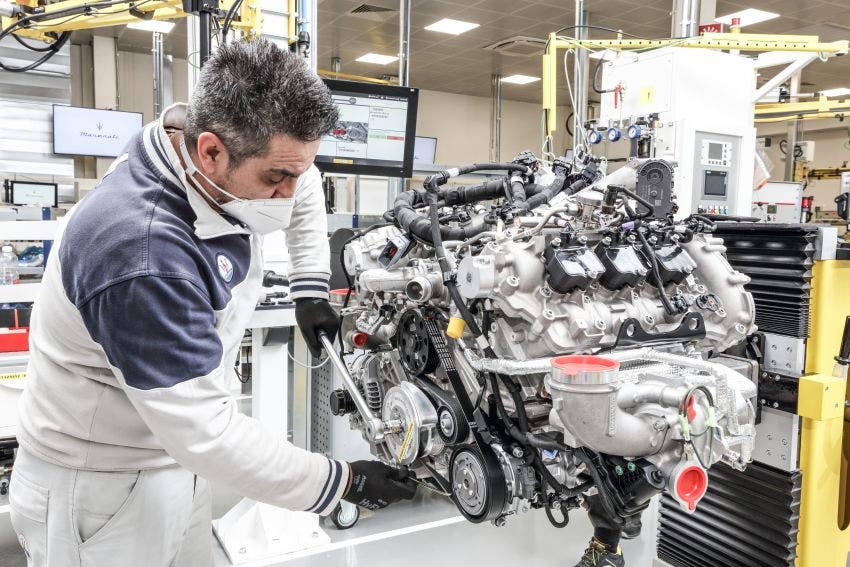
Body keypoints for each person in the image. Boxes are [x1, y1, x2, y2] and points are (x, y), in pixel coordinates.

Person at [9, 39, 416, 567]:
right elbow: (205, 431)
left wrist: (310, 286)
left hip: (175, 461)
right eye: (276, 180)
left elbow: (306, 179)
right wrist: (341, 480)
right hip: (98, 488)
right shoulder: (142, 252)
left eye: (296, 172)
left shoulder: (201, 148)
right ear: (210, 151)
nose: (290, 194)